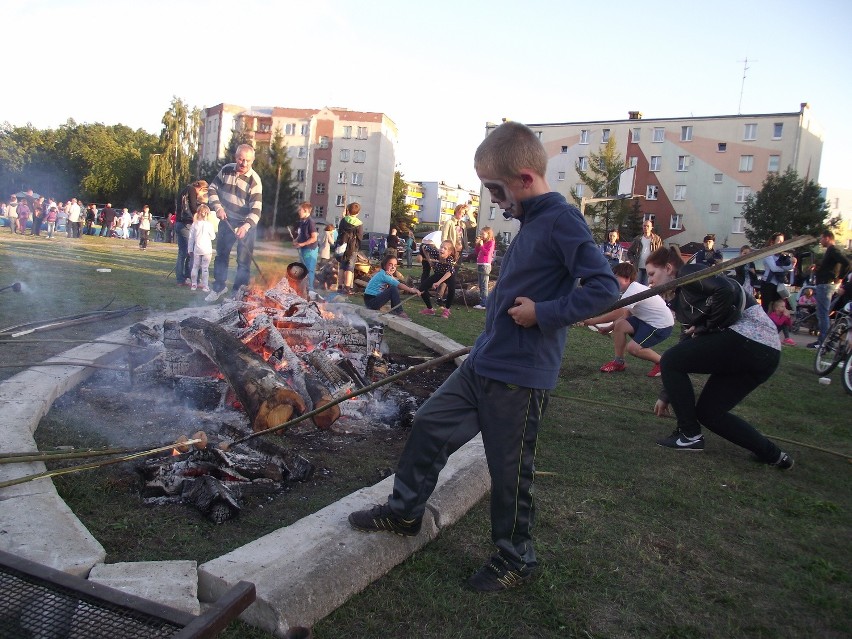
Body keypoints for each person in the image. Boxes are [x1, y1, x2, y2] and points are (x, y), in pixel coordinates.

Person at [348, 121, 620, 592]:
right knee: (430, 423)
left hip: (521, 376)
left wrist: (545, 312)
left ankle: (516, 558)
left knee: (509, 470)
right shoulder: (531, 221)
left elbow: (604, 289)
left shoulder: (562, 220)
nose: (493, 198)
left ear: (525, 179)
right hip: (483, 363)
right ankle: (404, 513)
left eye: (496, 188)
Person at [645, 246, 794, 469]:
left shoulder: (689, 274)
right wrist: (667, 393)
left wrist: (706, 326)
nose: (651, 282)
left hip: (750, 340)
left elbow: (725, 290)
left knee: (669, 359)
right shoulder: (683, 298)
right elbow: (687, 340)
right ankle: (774, 455)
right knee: (709, 413)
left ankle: (689, 435)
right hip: (766, 354)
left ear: (668, 268)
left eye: (652, 274)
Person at [584, 261, 675, 377]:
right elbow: (625, 314)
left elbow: (618, 312)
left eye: (616, 277)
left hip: (661, 325)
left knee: (633, 348)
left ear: (627, 279)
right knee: (620, 325)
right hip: (646, 321)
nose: (613, 281)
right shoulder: (631, 289)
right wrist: (609, 328)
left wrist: (593, 321)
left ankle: (663, 363)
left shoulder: (633, 290)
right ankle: (619, 362)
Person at [205, 145, 262, 302]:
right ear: (235, 157)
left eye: (247, 161)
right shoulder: (226, 170)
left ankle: (238, 294)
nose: (243, 163)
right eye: (241, 159)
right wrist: (218, 207)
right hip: (226, 219)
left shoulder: (254, 181)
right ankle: (218, 287)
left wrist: (245, 226)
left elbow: (256, 210)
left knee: (243, 261)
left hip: (246, 223)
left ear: (252, 161)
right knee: (221, 255)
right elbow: (212, 189)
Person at [808, 230, 850, 348]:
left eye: (821, 238)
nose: (820, 241)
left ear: (827, 238)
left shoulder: (833, 250)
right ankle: (822, 341)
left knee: (823, 314)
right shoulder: (830, 252)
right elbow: (830, 267)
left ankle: (823, 342)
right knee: (822, 313)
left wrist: (840, 278)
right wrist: (817, 268)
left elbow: (847, 263)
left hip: (826, 285)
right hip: (824, 284)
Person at [363, 254, 421, 319]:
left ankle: (394, 310)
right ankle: (399, 311)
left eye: (395, 265)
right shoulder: (384, 275)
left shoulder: (383, 273)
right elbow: (399, 285)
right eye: (390, 265)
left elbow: (392, 283)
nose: (393, 267)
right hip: (371, 302)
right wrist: (411, 290)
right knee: (393, 289)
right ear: (384, 265)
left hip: (370, 301)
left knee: (392, 288)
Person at [175, 180, 208, 286]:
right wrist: (202, 208)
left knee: (182, 253)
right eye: (203, 192)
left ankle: (181, 279)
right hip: (186, 224)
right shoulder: (192, 190)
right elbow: (193, 208)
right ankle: (193, 278)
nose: (201, 195)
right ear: (202, 188)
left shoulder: (185, 190)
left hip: (179, 223)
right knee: (192, 252)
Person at [418, 240, 458, 319]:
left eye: (445, 248)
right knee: (421, 288)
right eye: (441, 247)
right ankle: (430, 309)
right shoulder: (435, 252)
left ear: (449, 252)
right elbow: (423, 246)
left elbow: (449, 272)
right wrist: (429, 260)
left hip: (448, 275)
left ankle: (447, 309)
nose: (441, 249)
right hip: (438, 274)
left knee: (452, 289)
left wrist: (438, 283)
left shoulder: (450, 259)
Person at [759, 232, 795, 313]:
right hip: (768, 284)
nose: (781, 244)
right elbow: (774, 268)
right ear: (772, 242)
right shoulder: (768, 254)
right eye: (779, 241)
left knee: (778, 307)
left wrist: (792, 263)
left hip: (778, 285)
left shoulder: (781, 256)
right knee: (767, 307)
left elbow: (789, 267)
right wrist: (785, 268)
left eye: (782, 242)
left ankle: (776, 323)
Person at [334, 202, 364, 296]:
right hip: (352, 248)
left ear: (348, 210)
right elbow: (360, 237)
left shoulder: (343, 220)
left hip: (342, 246)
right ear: (358, 212)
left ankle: (339, 287)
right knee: (349, 268)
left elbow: (339, 231)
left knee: (342, 267)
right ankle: (347, 288)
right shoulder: (359, 223)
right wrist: (357, 246)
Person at [292, 201, 319, 297]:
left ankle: (310, 290)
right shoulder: (302, 222)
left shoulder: (310, 222)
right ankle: (302, 289)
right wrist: (296, 240)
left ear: (306, 211)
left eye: (300, 210)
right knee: (302, 269)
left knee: (309, 270)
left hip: (310, 250)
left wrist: (302, 244)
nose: (299, 212)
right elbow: (301, 235)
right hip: (304, 248)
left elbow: (314, 237)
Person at [187, 204, 216, 292]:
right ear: (207, 214)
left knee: (195, 266)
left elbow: (191, 238)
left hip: (197, 249)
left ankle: (194, 284)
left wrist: (190, 249)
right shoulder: (209, 225)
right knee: (205, 268)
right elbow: (213, 237)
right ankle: (205, 286)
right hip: (207, 249)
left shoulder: (194, 224)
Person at [627, 219, 662, 284]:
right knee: (636, 286)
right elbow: (630, 252)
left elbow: (660, 253)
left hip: (650, 267)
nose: (646, 227)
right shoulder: (638, 239)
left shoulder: (656, 239)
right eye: (644, 226)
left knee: (645, 288)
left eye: (648, 226)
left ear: (651, 228)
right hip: (638, 267)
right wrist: (632, 260)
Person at [472, 226, 495, 309]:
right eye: (480, 233)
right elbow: (476, 252)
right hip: (480, 263)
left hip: (485, 265)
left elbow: (487, 253)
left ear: (488, 234)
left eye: (483, 234)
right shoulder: (483, 242)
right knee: (480, 284)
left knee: (484, 284)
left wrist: (482, 246)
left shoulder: (491, 242)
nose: (481, 235)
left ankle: (484, 304)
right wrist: (477, 244)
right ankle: (482, 302)